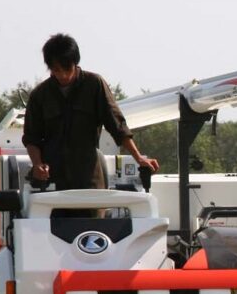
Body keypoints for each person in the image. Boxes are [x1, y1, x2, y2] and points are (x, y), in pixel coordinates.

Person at [22, 33, 159, 190]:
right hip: (52, 183)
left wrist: (138, 158)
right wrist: (38, 165)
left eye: (67, 69)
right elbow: (32, 138)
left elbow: (118, 125)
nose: (63, 75)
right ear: (50, 68)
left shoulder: (94, 85)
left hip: (89, 179)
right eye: (57, 70)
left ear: (75, 63)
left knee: (91, 214)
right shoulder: (40, 95)